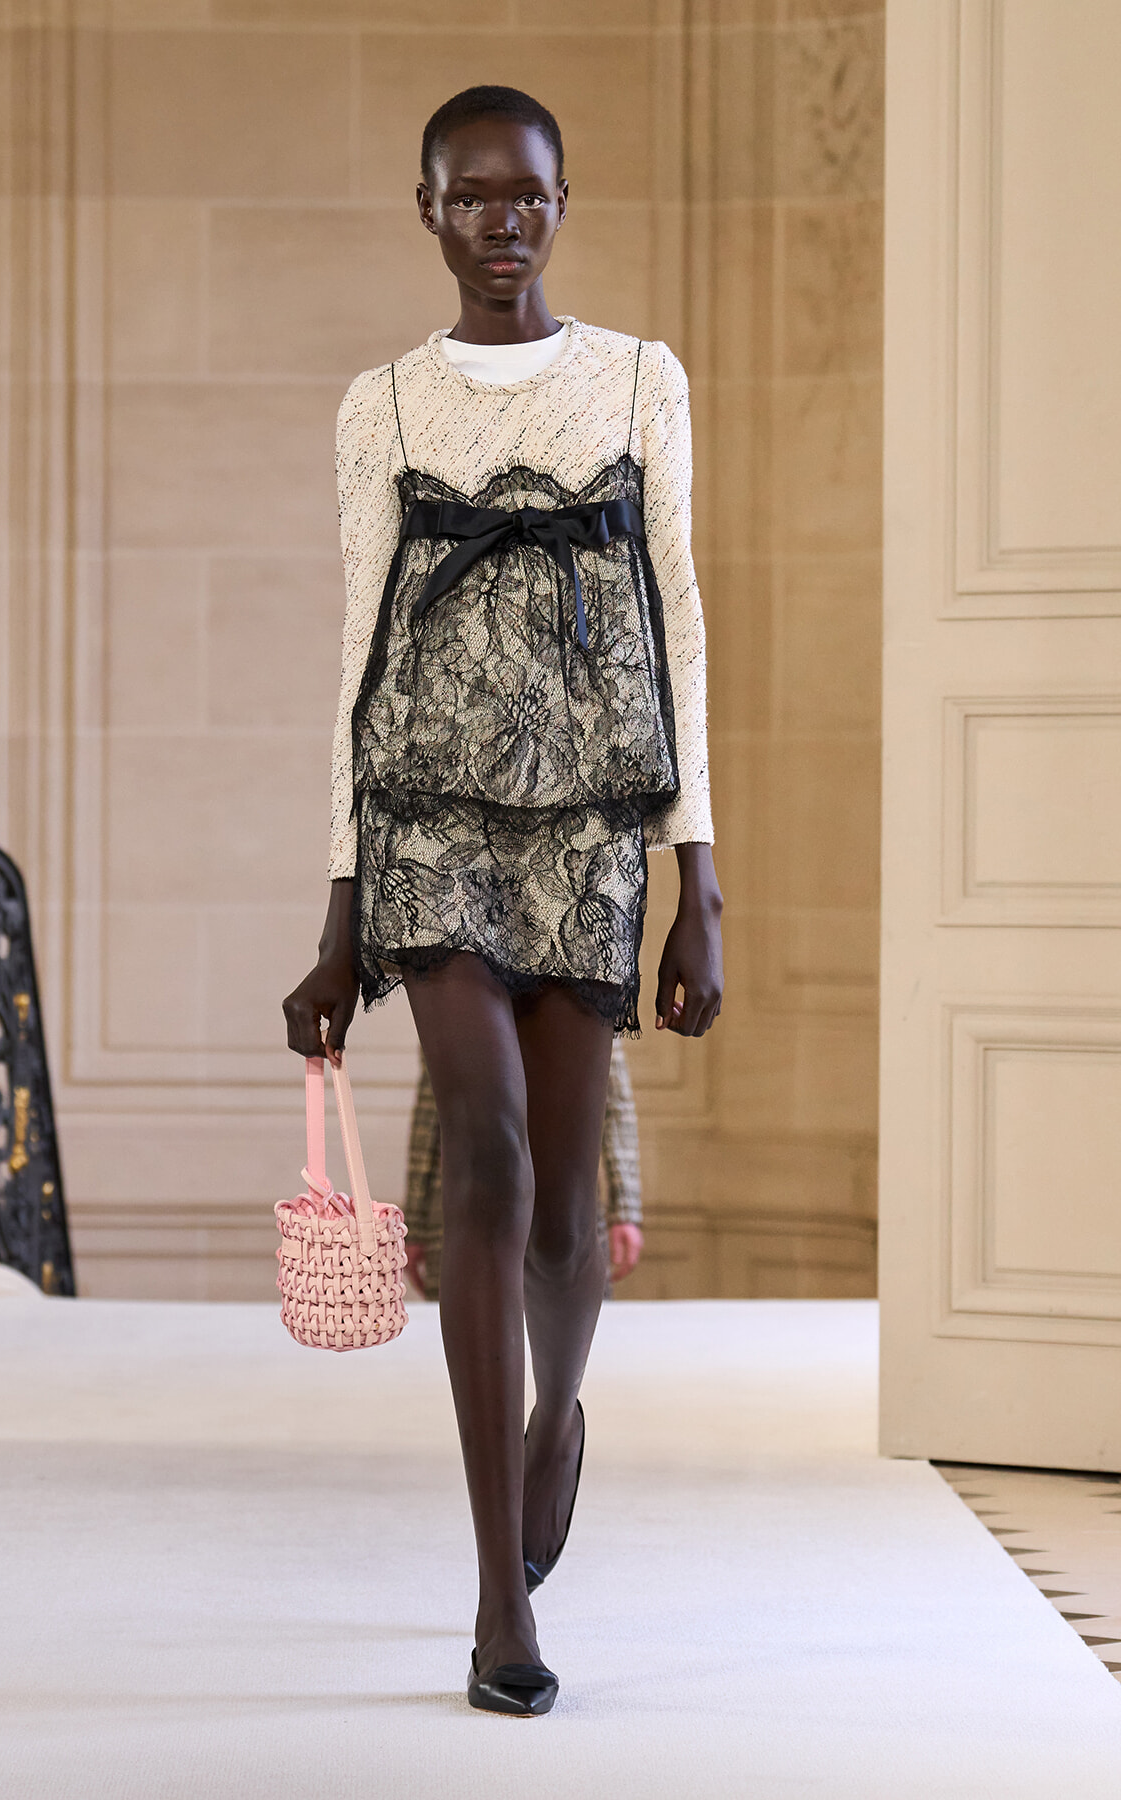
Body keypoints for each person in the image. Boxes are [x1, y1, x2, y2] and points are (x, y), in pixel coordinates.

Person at [283, 85, 723, 1718]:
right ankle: (496, 1604)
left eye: (526, 194)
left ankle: (557, 1420)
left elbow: (679, 622)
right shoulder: (382, 406)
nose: (502, 223)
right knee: (484, 1155)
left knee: (558, 1189)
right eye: (471, 198)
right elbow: (359, 658)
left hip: (596, 829)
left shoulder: (638, 381)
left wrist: (703, 873)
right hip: (430, 825)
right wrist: (339, 915)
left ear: (558, 200)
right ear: (428, 209)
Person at [404, 1043, 646, 1300]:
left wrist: (626, 1209)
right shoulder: (455, 1006)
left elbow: (614, 1103)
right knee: (466, 1322)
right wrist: (416, 1225)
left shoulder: (587, 1005)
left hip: (566, 1201)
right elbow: (431, 1113)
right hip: (463, 1208)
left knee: (570, 1317)